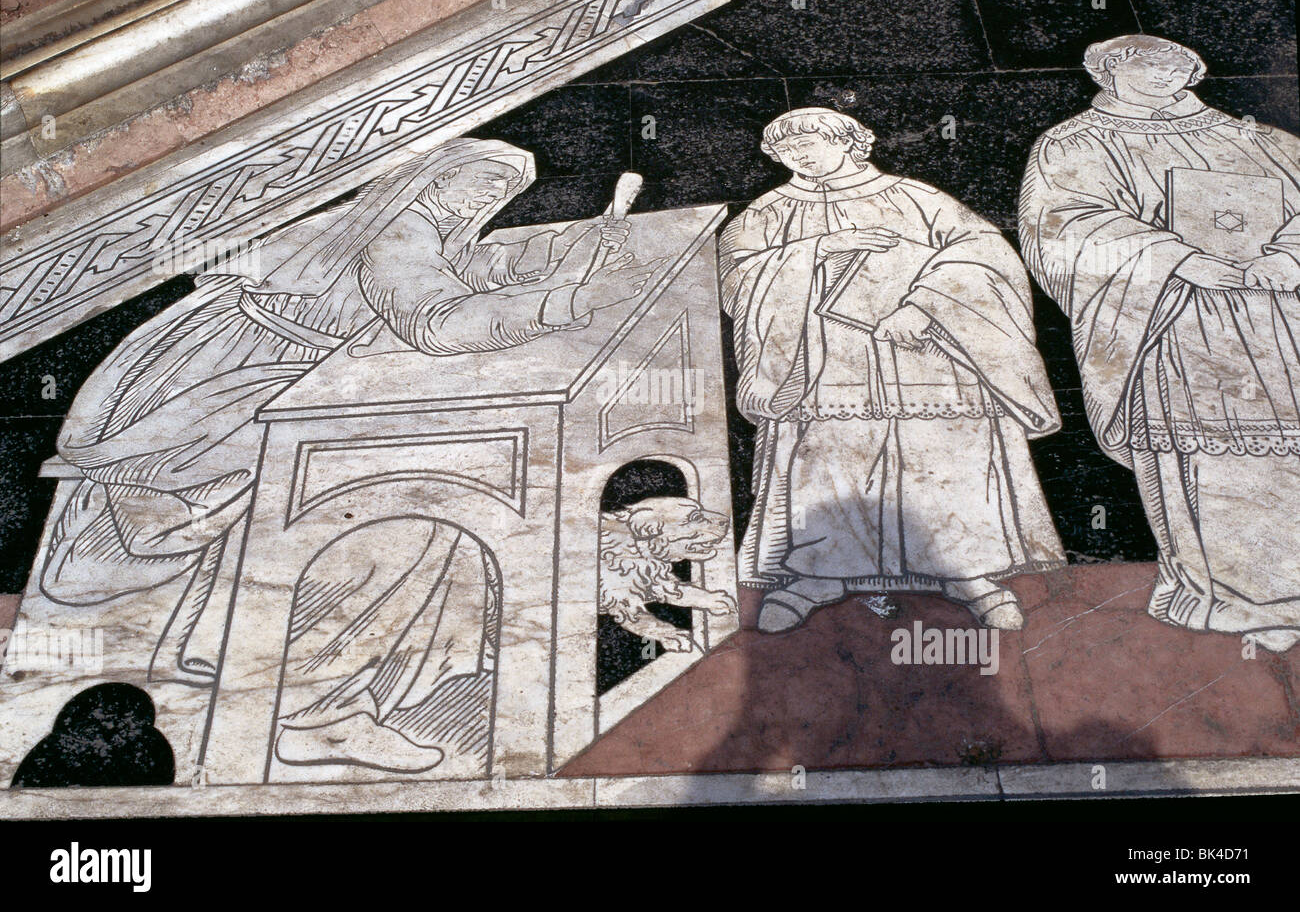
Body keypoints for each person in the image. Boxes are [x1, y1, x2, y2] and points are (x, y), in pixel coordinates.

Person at [38, 138, 647, 689]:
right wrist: (566, 302)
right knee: (200, 501)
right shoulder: (397, 234)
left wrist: (571, 245)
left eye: (503, 190)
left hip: (287, 369)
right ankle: (139, 621)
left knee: (251, 498)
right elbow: (436, 322)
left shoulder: (425, 230)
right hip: (244, 373)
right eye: (481, 181)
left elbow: (474, 269)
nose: (491, 196)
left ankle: (186, 638)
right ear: (435, 181)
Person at [720, 107, 1064, 634]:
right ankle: (820, 575)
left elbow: (987, 255)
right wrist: (814, 252)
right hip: (824, 369)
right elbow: (736, 279)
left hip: (928, 361)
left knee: (946, 465)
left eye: (813, 142)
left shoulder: (917, 197)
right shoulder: (765, 212)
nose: (800, 154)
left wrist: (923, 306)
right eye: (788, 150)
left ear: (852, 141)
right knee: (829, 469)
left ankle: (969, 574)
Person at [1019, 35, 1300, 652]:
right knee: (1204, 456)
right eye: (1144, 61)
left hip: (1277, 321)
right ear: (1107, 69)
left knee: (1286, 453)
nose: (1163, 70)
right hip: (1172, 321)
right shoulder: (1076, 143)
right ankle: (1227, 595)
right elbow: (1064, 227)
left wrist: (1287, 256)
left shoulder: (1259, 139)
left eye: (1177, 62)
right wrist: (1176, 258)